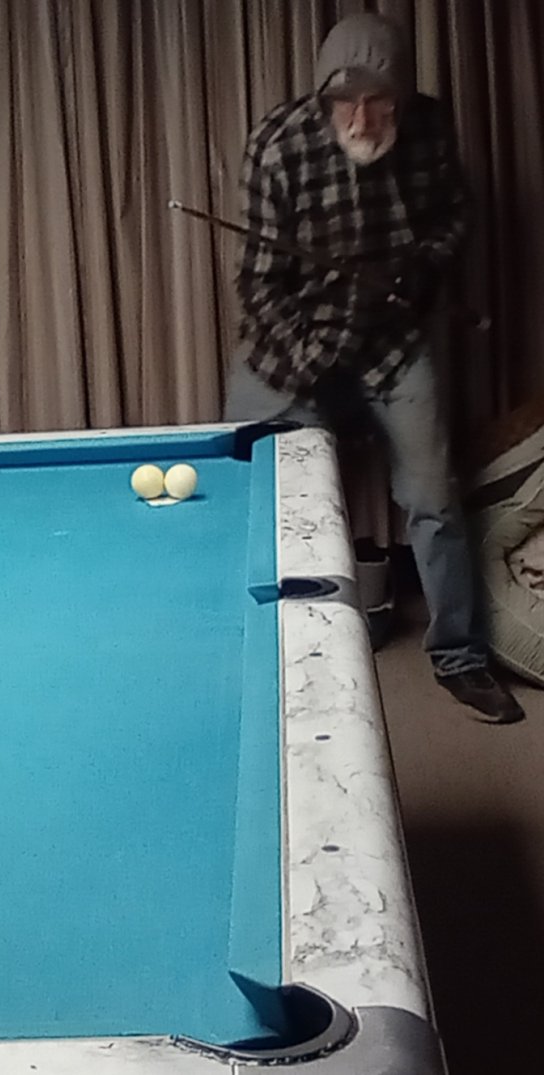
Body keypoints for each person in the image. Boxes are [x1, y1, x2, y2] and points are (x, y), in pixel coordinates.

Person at [224, 13, 523, 723]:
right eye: (345, 102)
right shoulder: (278, 146)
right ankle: (270, 646)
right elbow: (258, 286)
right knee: (260, 489)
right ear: (322, 97)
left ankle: (459, 656)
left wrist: (422, 266)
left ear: (404, 98)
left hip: (393, 344)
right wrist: (315, 363)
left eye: (379, 101)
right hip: (294, 347)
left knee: (434, 496)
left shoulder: (431, 131)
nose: (361, 119)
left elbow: (455, 216)